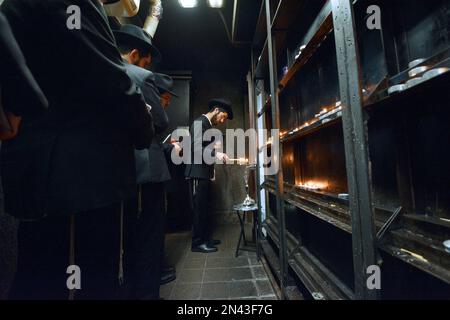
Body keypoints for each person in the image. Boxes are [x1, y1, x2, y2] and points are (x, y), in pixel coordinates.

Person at [1, 0, 154, 300]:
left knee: (39, 277)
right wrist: (144, 126)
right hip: (80, 182)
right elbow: (114, 82)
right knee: (89, 284)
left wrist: (20, 98)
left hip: (48, 178)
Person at [114, 25, 172, 299]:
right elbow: (160, 122)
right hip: (145, 171)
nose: (149, 65)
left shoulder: (103, 69)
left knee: (124, 241)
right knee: (148, 239)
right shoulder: (139, 76)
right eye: (147, 58)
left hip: (116, 172)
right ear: (136, 54)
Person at [185, 98, 233, 253]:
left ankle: (205, 238)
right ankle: (197, 243)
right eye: (223, 117)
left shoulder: (208, 125)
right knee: (199, 209)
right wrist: (217, 155)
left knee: (205, 207)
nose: (222, 121)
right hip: (197, 173)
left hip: (204, 173)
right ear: (217, 110)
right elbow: (195, 148)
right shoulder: (200, 123)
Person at [153, 73, 181, 286]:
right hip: (148, 178)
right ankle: (153, 272)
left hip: (157, 177)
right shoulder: (152, 113)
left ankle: (156, 267)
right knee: (151, 229)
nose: (168, 102)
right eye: (165, 97)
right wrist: (170, 147)